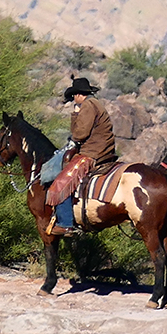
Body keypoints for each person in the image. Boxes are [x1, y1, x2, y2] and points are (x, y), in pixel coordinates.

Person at [45, 76, 117, 236]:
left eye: (73, 96)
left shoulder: (88, 106)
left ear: (78, 94)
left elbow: (79, 133)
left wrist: (75, 115)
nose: (73, 100)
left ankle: (65, 224)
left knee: (61, 182)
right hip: (102, 150)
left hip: (93, 153)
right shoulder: (95, 104)